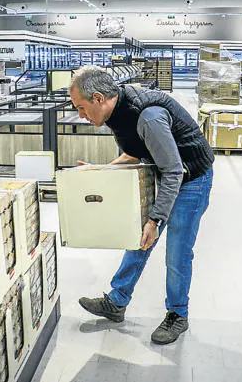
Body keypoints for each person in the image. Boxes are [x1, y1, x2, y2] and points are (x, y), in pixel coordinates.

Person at [70, 65, 214, 345]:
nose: (81, 115)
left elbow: (175, 171)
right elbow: (134, 154)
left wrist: (155, 219)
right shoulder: (117, 113)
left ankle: (177, 315)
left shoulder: (148, 116)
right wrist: (102, 171)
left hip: (192, 177)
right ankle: (117, 301)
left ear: (98, 98)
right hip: (169, 171)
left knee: (177, 251)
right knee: (139, 239)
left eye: (82, 108)